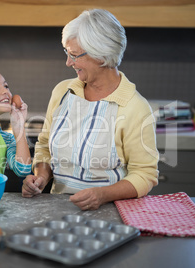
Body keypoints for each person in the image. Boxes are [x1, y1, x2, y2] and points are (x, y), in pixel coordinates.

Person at [22, 9, 159, 210]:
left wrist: (102, 195)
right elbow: (44, 146)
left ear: (101, 55)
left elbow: (145, 175)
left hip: (111, 212)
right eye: (67, 53)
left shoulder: (135, 107)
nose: (68, 62)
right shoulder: (63, 92)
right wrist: (41, 176)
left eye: (74, 55)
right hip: (57, 210)